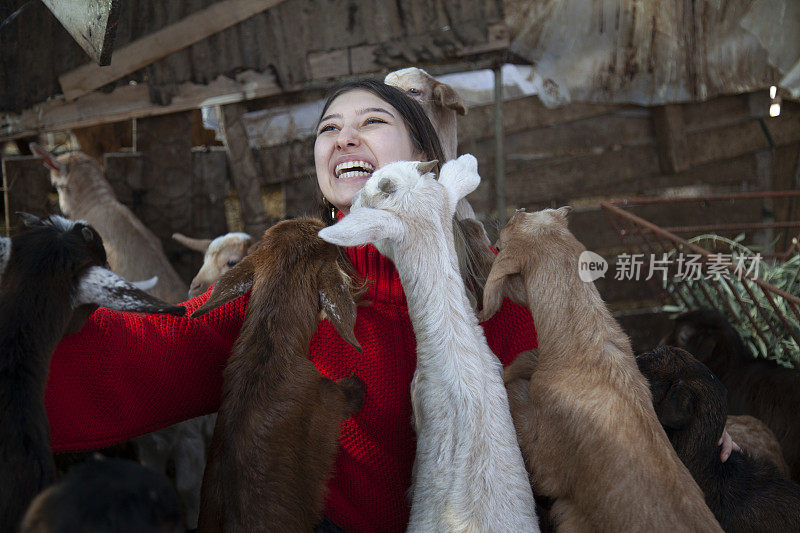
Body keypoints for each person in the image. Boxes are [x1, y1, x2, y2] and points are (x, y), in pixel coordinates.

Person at [45, 79, 539, 533]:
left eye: (372, 121)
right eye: (329, 129)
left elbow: (563, 421)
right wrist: (27, 344)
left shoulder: (497, 289)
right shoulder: (294, 283)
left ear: (426, 157)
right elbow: (168, 347)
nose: (345, 137)